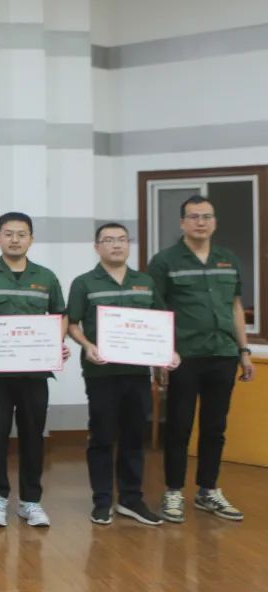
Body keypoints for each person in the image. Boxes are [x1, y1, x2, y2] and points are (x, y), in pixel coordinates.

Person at [0, 212, 68, 528]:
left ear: (31, 239)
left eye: (21, 234)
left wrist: (54, 343)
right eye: (8, 234)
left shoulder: (45, 277)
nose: (15, 239)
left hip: (35, 374)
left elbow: (61, 315)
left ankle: (31, 501)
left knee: (34, 436)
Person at [148, 195, 255, 523]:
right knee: (179, 426)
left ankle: (208, 490)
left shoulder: (228, 259)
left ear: (215, 222)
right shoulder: (165, 261)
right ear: (182, 223)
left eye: (207, 216)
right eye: (194, 216)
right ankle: (173, 491)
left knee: (215, 427)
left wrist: (244, 351)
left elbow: (235, 306)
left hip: (223, 354)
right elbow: (156, 311)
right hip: (184, 357)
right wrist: (160, 356)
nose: (201, 222)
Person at [67, 222, 179, 526]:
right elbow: (72, 323)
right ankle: (102, 501)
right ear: (97, 247)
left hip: (137, 374)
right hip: (101, 373)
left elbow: (159, 322)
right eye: (108, 240)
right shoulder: (84, 283)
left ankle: (131, 499)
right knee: (102, 436)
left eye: (121, 239)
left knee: (133, 436)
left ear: (128, 245)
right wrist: (87, 345)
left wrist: (166, 355)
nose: (116, 245)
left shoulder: (145, 281)